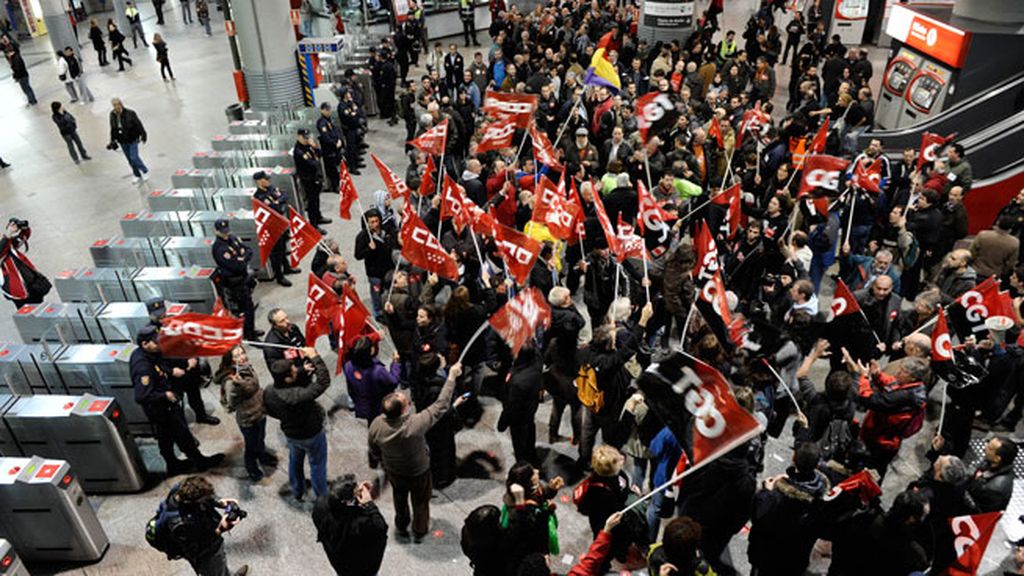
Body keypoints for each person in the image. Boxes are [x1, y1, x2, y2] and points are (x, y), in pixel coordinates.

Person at [368, 362, 463, 543]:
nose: (404, 396)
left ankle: (402, 523)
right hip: (418, 471)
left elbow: (373, 447)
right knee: (420, 501)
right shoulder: (415, 424)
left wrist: (380, 460)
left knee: (399, 497)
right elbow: (441, 405)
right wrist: (451, 378)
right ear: (404, 410)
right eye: (404, 400)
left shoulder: (377, 424)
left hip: (394, 470)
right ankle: (419, 528)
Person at [131, 325, 224, 475]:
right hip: (161, 408)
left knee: (165, 436)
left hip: (163, 406)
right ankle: (200, 461)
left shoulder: (149, 354)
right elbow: (141, 396)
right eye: (156, 342)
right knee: (182, 433)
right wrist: (165, 395)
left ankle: (172, 464)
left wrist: (170, 371)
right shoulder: (142, 366)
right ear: (145, 344)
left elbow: (160, 364)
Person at [263, 346, 332, 501]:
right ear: (287, 378)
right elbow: (323, 382)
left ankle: (297, 490)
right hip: (311, 434)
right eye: (294, 371)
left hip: (291, 434)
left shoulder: (269, 392)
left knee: (295, 461)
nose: (297, 370)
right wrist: (315, 357)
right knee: (317, 466)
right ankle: (323, 499)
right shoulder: (297, 396)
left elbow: (270, 411)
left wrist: (301, 371)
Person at [159, 475, 249, 576]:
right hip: (206, 554)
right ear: (192, 503)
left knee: (220, 566)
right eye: (204, 499)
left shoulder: (181, 488)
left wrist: (219, 502)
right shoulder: (180, 524)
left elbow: (206, 495)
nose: (208, 498)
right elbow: (195, 549)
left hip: (210, 539)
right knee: (214, 572)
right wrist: (220, 530)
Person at [215, 345, 276, 482]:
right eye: (236, 356)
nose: (242, 357)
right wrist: (238, 385)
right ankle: (252, 469)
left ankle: (263, 456)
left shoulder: (245, 367)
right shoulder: (231, 380)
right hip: (248, 418)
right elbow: (231, 402)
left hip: (259, 410)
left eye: (242, 353)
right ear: (230, 361)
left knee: (261, 438)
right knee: (251, 446)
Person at [312, 475, 388, 576]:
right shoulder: (361, 525)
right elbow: (381, 527)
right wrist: (369, 504)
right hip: (365, 569)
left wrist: (351, 492)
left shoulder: (321, 507)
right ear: (350, 503)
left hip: (340, 565)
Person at [211, 219, 258, 339]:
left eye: (226, 231)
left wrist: (243, 258)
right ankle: (250, 335)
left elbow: (248, 251)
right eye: (222, 232)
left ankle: (251, 330)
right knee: (245, 310)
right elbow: (236, 266)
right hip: (234, 283)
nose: (226, 234)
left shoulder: (233, 239)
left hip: (243, 279)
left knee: (249, 308)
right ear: (216, 231)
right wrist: (241, 258)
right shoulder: (219, 248)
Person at [253, 171, 296, 286]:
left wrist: (278, 201)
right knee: (276, 253)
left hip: (280, 223)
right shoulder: (258, 196)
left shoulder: (270, 188)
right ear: (259, 181)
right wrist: (277, 202)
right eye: (265, 179)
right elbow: (273, 207)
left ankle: (287, 267)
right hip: (271, 227)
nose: (268, 181)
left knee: (283, 248)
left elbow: (284, 196)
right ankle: (279, 276)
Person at [0, 219, 50, 309]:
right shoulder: (4, 246)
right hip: (19, 291)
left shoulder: (8, 244)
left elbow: (23, 237)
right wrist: (7, 235)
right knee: (29, 315)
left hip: (32, 284)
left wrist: (24, 228)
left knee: (41, 310)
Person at [293, 128, 327, 231]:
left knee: (316, 200)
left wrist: (314, 147)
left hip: (315, 177)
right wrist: (315, 159)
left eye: (307, 137)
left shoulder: (308, 146)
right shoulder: (299, 151)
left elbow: (320, 154)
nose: (306, 139)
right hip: (308, 180)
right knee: (312, 202)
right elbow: (312, 164)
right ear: (299, 137)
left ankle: (318, 217)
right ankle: (314, 224)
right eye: (304, 138)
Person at [108, 98, 149, 183]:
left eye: (118, 104)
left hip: (132, 139)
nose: (116, 107)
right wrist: (112, 140)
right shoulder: (112, 115)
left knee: (134, 157)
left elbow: (138, 124)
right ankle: (136, 174)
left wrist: (143, 135)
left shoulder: (130, 113)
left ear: (121, 104)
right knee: (129, 159)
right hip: (122, 141)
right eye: (114, 105)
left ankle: (144, 170)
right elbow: (113, 128)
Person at [970, 215, 1020, 279]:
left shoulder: (983, 235)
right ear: (1011, 228)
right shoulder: (1015, 243)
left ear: (997, 223)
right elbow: (1011, 263)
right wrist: (1003, 272)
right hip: (995, 273)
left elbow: (972, 252)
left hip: (976, 269)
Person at [317, 102, 345, 189]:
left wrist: (340, 139)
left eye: (329, 110)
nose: (329, 112)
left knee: (339, 166)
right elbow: (325, 137)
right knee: (332, 169)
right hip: (329, 149)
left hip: (336, 147)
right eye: (326, 110)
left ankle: (341, 183)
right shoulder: (321, 123)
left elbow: (336, 131)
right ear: (322, 110)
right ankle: (335, 185)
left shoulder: (330, 120)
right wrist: (334, 143)